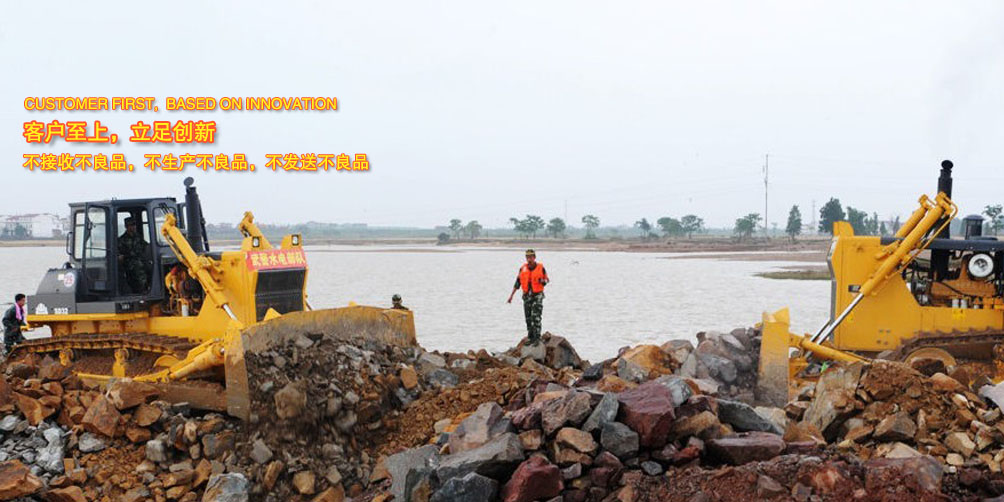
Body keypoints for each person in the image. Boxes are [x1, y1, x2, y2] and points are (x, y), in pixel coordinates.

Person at [507, 249, 549, 345]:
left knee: (536, 316)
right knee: (528, 318)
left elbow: (547, 280)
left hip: (537, 295)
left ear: (534, 258)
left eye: (531, 257)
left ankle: (537, 338)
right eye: (527, 257)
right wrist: (511, 296)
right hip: (527, 296)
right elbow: (517, 283)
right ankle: (530, 337)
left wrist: (543, 281)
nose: (529, 259)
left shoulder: (541, 268)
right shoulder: (522, 269)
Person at [118, 216, 150, 293]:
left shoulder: (138, 237)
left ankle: (146, 289)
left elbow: (146, 246)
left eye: (134, 224)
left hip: (140, 260)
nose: (133, 227)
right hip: (129, 263)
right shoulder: (122, 240)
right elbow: (120, 254)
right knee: (138, 268)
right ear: (126, 227)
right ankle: (143, 290)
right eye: (131, 225)